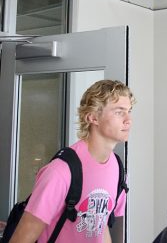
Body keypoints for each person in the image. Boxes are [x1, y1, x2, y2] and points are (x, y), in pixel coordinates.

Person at [9, 79, 135, 243]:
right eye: (119, 112)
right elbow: (21, 239)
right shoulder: (61, 171)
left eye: (129, 111)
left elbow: (101, 227)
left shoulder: (119, 171)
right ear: (92, 118)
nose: (128, 119)